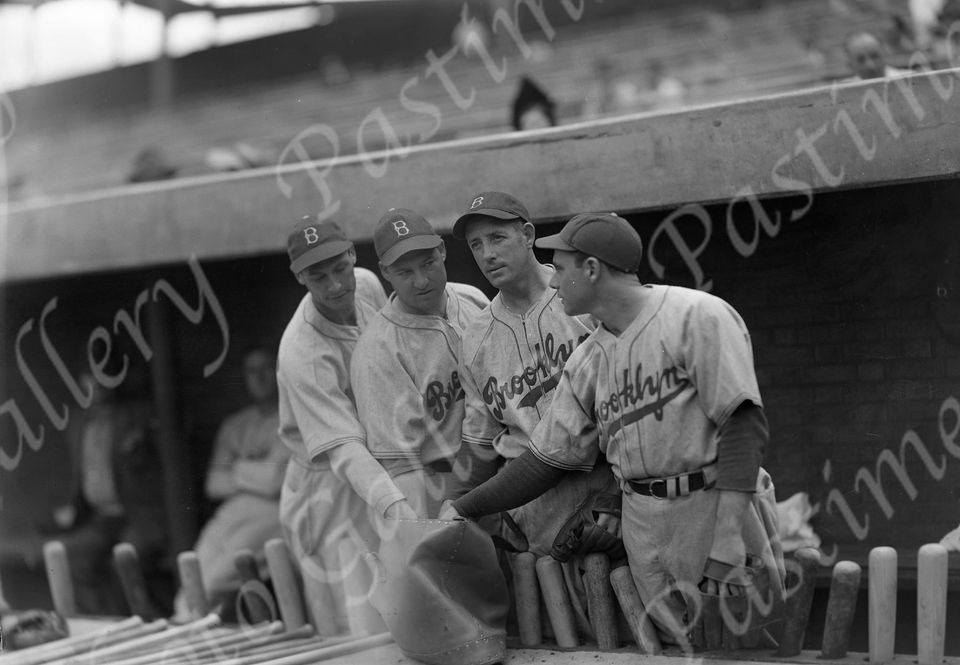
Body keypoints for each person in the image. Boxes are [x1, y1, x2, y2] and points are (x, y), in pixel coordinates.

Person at [446, 212, 785, 646]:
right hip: (645, 527)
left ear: (591, 269)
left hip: (714, 505)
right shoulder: (587, 361)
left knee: (751, 647)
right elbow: (545, 461)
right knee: (673, 653)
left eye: (561, 269)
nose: (553, 282)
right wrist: (464, 507)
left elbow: (743, 426)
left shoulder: (695, 315)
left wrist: (729, 534)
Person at [447, 192, 617, 559]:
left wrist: (617, 496)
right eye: (476, 245)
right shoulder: (475, 339)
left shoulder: (581, 294)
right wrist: (450, 512)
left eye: (497, 238)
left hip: (609, 495)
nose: (487, 254)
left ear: (527, 235)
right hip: (538, 517)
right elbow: (480, 445)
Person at [277, 216, 416, 636]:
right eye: (318, 276)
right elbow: (344, 450)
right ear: (300, 277)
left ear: (353, 255)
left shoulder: (368, 284)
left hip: (376, 469)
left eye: (340, 268)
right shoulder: (302, 352)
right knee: (357, 629)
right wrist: (397, 508)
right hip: (327, 490)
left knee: (404, 610)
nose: (336, 285)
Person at [351, 209, 488, 518]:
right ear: (385, 272)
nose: (422, 281)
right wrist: (429, 529)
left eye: (428, 263)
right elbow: (402, 467)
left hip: (505, 461)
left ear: (442, 250)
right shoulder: (378, 351)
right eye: (405, 272)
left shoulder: (473, 299)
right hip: (443, 483)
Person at [173, 345, 289, 618]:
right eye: (251, 371)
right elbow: (213, 484)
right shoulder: (236, 424)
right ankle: (186, 629)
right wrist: (256, 471)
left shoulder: (291, 416)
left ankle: (193, 629)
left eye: (266, 368)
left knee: (214, 580)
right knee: (193, 573)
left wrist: (235, 467)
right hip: (234, 509)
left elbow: (274, 483)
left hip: (274, 512)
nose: (259, 377)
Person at [46, 370, 170, 617]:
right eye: (91, 377)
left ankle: (139, 623)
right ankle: (99, 622)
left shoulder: (139, 415)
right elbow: (81, 473)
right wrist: (72, 507)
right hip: (101, 518)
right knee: (72, 553)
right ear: (82, 381)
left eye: (105, 375)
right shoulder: (80, 423)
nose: (99, 384)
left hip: (141, 516)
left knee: (123, 560)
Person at [843, 31, 911, 79]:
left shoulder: (911, 80)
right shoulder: (842, 93)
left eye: (874, 56)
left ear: (885, 54)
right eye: (861, 60)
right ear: (850, 65)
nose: (870, 65)